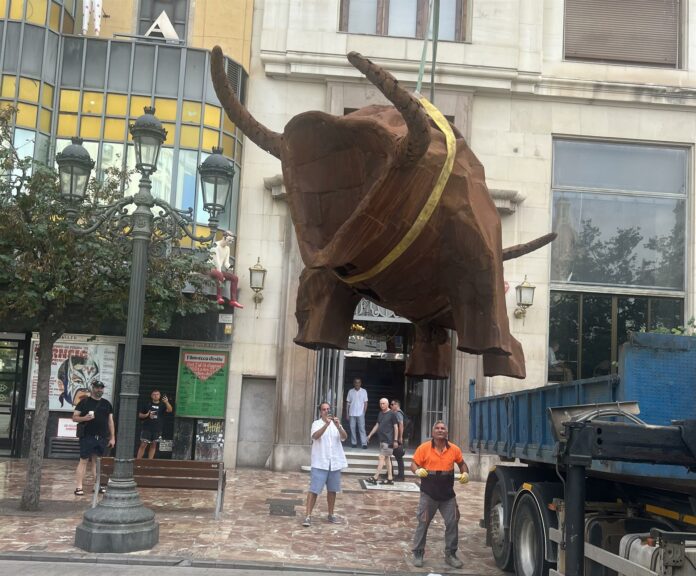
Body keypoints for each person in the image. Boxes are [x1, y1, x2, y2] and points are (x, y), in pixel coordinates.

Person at [411, 420, 470, 568]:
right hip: (428, 494)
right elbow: (413, 464)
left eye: (443, 428)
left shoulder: (454, 449)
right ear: (432, 432)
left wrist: (465, 473)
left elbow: (462, 463)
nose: (440, 430)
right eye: (437, 428)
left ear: (447, 432)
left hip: (448, 495)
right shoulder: (423, 448)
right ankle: (418, 553)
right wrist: (417, 470)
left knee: (452, 522)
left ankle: (451, 554)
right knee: (423, 522)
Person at [303, 402, 348, 527]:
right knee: (314, 490)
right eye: (324, 409)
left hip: (334, 463)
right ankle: (307, 516)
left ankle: (331, 514)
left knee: (332, 490)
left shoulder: (336, 424)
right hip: (320, 462)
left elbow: (344, 437)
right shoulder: (316, 424)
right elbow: (315, 436)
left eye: (328, 409)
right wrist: (326, 425)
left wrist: (339, 427)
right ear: (320, 411)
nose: (326, 411)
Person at [72, 381, 115, 496]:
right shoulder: (84, 402)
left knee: (97, 462)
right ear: (93, 388)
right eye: (97, 388)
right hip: (87, 436)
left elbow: (110, 421)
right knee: (83, 460)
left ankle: (98, 485)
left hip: (102, 437)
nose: (99, 390)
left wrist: (112, 437)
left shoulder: (107, 404)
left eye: (101, 388)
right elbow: (74, 417)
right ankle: (79, 487)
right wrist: (84, 418)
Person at [365, 398, 399, 485]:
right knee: (387, 459)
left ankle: (375, 477)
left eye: (383, 403)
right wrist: (370, 435)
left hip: (389, 440)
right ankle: (390, 478)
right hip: (382, 440)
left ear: (387, 404)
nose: (382, 405)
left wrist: (395, 440)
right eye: (380, 403)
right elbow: (377, 425)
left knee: (381, 457)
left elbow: (396, 427)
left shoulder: (392, 414)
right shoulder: (380, 413)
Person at [208, 231, 243, 308]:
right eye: (229, 240)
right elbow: (217, 262)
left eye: (232, 241)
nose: (230, 243)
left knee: (235, 278)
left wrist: (231, 268)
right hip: (210, 269)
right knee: (220, 274)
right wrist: (221, 275)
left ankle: (233, 300)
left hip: (218, 270)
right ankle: (219, 297)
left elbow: (226, 263)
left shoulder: (227, 248)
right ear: (224, 237)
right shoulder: (215, 246)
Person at [136, 389, 173, 459]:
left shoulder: (163, 405)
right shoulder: (147, 404)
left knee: (154, 445)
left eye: (157, 394)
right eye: (154, 394)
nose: (155, 396)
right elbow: (140, 415)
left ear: (160, 396)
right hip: (146, 428)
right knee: (143, 444)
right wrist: (147, 415)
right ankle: (138, 461)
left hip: (157, 428)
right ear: (151, 396)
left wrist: (166, 402)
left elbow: (170, 410)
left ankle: (150, 461)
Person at [345, 377, 368, 448]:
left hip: (361, 413)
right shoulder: (350, 391)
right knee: (352, 428)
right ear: (353, 383)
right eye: (356, 382)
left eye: (358, 382)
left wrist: (364, 412)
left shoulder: (364, 391)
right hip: (352, 413)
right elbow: (347, 403)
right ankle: (354, 443)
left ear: (360, 383)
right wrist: (347, 414)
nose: (357, 384)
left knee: (362, 429)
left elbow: (365, 403)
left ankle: (364, 443)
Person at [390, 399, 406, 481]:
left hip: (397, 438)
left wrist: (400, 437)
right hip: (395, 437)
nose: (391, 406)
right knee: (390, 454)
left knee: (398, 456)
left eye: (392, 404)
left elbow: (401, 425)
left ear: (397, 405)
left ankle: (401, 475)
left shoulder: (398, 413)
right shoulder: (397, 413)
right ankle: (390, 472)